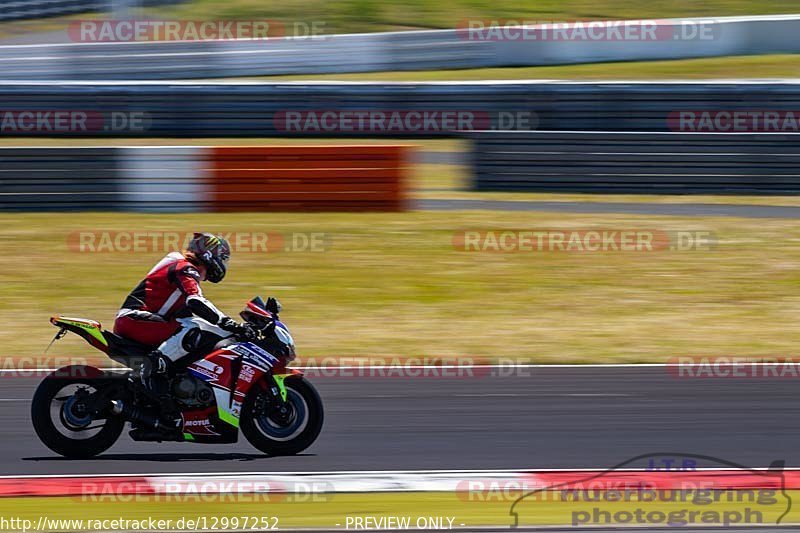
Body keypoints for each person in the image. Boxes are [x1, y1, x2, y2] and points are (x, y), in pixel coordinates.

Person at [113, 232, 255, 397]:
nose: (223, 264)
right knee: (191, 328)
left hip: (146, 322)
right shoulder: (185, 268)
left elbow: (193, 311)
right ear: (210, 254)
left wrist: (229, 331)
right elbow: (196, 301)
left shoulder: (180, 266)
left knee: (194, 325)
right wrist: (230, 324)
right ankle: (148, 371)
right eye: (223, 258)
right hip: (134, 319)